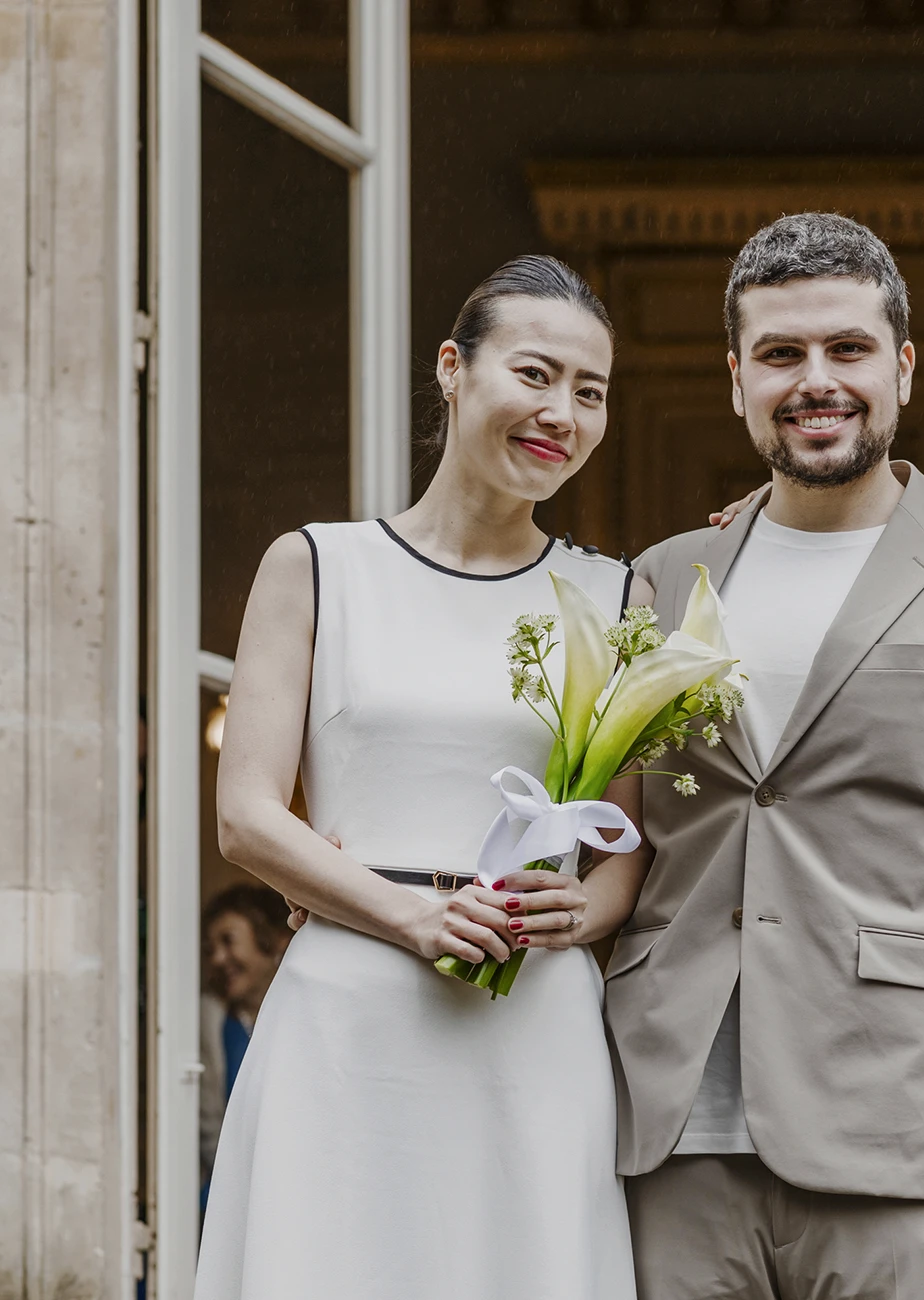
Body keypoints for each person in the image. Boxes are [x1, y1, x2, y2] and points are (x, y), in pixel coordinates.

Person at [606, 213, 924, 1300]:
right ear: (737, 379)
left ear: (902, 368)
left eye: (848, 349)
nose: (815, 380)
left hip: (908, 1129)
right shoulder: (662, 578)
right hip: (668, 1128)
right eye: (781, 353)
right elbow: (614, 831)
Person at [195, 256, 642, 1298]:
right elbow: (246, 816)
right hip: (348, 1017)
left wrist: (579, 911)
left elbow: (627, 846)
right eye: (534, 374)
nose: (562, 413)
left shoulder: (615, 594)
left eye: (590, 392)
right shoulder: (317, 566)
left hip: (532, 1022)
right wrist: (414, 918)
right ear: (452, 367)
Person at [198, 885, 291, 1200]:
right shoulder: (212, 1020)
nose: (218, 958)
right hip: (235, 1191)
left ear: (272, 941)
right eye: (210, 949)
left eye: (228, 941)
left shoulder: (301, 1017)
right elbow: (210, 1131)